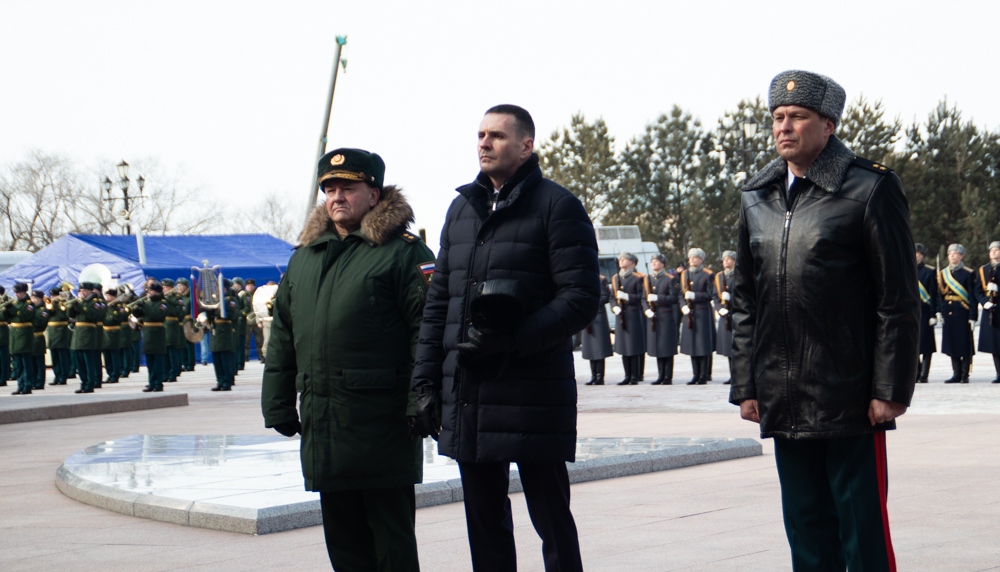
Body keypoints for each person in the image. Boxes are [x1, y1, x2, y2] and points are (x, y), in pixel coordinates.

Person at [729, 70, 918, 571]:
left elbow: (897, 300)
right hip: (783, 397)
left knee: (862, 535)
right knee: (807, 534)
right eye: (777, 117)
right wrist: (746, 385)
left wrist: (889, 388)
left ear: (828, 124)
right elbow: (745, 301)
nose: (784, 127)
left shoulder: (870, 188)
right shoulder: (757, 196)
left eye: (798, 116)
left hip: (850, 398)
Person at [411, 104, 599, 572]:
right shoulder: (461, 210)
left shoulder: (558, 206)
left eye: (496, 135)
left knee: (551, 520)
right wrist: (424, 382)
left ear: (526, 145)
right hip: (470, 391)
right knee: (484, 524)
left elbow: (580, 298)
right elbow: (440, 305)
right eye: (480, 135)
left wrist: (511, 340)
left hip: (532, 392)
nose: (484, 143)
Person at [262, 147, 433, 571]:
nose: (337, 196)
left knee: (391, 546)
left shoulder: (404, 252)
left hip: (382, 424)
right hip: (324, 424)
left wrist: (423, 399)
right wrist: (277, 403)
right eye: (330, 188)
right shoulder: (304, 258)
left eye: (348, 188)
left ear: (374, 194)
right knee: (344, 546)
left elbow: (428, 332)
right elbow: (283, 335)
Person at [939, 243, 976, 383]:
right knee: (952, 343)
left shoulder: (968, 273)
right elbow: (939, 295)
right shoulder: (943, 274)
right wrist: (939, 312)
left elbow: (972, 296)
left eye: (955, 254)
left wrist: (973, 316)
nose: (952, 256)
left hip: (963, 311)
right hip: (948, 312)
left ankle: (965, 374)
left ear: (961, 256)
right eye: (950, 254)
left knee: (964, 343)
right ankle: (956, 373)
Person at [679, 247, 715, 384]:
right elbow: (680, 294)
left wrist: (695, 296)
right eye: (690, 257)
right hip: (689, 313)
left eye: (695, 257)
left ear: (701, 260)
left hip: (702, 312)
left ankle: (704, 375)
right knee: (692, 344)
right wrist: (683, 305)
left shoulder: (708, 274)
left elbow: (710, 294)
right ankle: (695, 374)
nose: (692, 259)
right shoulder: (685, 274)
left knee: (702, 344)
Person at [643, 253, 678, 385]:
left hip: (665, 316)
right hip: (653, 316)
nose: (653, 263)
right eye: (652, 261)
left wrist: (658, 298)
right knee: (657, 345)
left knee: (666, 346)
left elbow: (673, 298)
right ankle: (660, 375)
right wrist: (646, 309)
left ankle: (668, 376)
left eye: (656, 261)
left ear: (663, 264)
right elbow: (643, 297)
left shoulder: (670, 279)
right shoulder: (648, 279)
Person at [611, 252, 646, 385]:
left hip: (633, 315)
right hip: (621, 316)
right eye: (620, 259)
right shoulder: (615, 278)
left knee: (633, 346)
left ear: (632, 262)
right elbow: (612, 296)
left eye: (624, 259)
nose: (621, 261)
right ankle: (627, 375)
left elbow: (641, 296)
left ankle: (635, 375)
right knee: (624, 347)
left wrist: (628, 297)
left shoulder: (638, 278)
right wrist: (614, 307)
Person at [68, 280, 106, 394]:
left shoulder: (96, 302)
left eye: (85, 290)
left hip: (89, 333)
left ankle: (90, 383)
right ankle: (83, 383)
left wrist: (79, 306)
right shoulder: (80, 302)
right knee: (80, 362)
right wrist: (71, 306)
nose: (82, 293)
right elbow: (70, 315)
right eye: (81, 290)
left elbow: (92, 315)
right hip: (78, 334)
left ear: (91, 291)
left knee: (89, 362)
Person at [131, 282, 169, 392]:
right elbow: (138, 314)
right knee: (150, 361)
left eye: (151, 291)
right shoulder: (147, 302)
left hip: (157, 333)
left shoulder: (163, 303)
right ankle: (151, 382)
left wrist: (145, 305)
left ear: (157, 292)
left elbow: (156, 315)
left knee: (158, 361)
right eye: (149, 290)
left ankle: (158, 383)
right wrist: (136, 308)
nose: (149, 293)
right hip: (147, 333)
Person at [4, 283, 36, 394]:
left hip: (24, 334)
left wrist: (12, 308)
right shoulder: (15, 303)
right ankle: (20, 385)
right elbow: (7, 318)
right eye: (16, 292)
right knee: (17, 363)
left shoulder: (29, 304)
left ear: (24, 292)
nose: (17, 294)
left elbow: (24, 316)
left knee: (26, 362)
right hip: (14, 334)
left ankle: (27, 385)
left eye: (19, 292)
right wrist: (6, 309)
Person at [581, 274, 612, 385]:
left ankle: (600, 377)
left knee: (599, 348)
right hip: (587, 317)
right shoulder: (582, 279)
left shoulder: (600, 279)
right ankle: (593, 376)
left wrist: (591, 302)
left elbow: (606, 296)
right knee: (590, 348)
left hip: (598, 316)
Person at [976, 242, 1000, 383]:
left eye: (996, 250)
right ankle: (999, 372)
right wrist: (984, 302)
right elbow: (977, 290)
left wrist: (998, 289)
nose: (993, 252)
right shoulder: (983, 269)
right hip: (990, 309)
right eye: (991, 250)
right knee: (995, 344)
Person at [915, 244, 938, 383]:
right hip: (912, 312)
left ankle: (924, 373)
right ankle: (916, 372)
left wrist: (933, 314)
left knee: (926, 344)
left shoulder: (929, 271)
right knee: (913, 344)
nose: (915, 255)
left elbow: (933, 294)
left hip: (925, 311)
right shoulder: (906, 270)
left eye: (918, 253)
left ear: (922, 255)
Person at [713, 251, 737, 384]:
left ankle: (739, 375)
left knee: (737, 348)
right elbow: (715, 296)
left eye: (729, 259)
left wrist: (731, 298)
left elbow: (744, 294)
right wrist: (719, 308)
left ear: (734, 261)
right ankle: (732, 375)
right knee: (728, 348)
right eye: (724, 259)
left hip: (736, 314)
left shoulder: (739, 275)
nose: (726, 261)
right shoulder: (719, 276)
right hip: (724, 316)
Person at [45, 287, 72, 385]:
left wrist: (56, 304)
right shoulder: (50, 304)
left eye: (54, 295)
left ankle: (63, 376)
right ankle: (57, 375)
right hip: (52, 332)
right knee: (54, 356)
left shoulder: (62, 303)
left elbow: (63, 316)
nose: (52, 297)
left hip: (61, 332)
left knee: (62, 356)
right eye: (51, 295)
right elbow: (47, 315)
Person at [243, 279, 265, 362]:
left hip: (257, 320)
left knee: (260, 340)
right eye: (248, 285)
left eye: (251, 285)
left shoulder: (258, 294)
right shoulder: (243, 295)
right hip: (247, 320)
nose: (250, 287)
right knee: (246, 340)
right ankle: (245, 356)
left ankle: (261, 355)